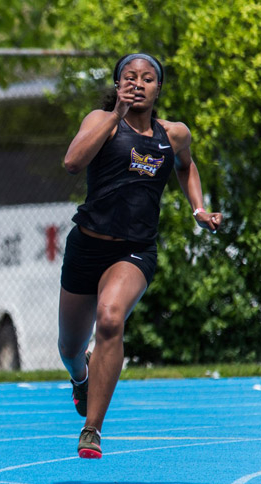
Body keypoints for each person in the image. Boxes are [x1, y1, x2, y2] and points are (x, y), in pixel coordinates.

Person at [58, 53, 222, 459]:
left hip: (134, 251)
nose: (138, 83)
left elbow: (186, 167)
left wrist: (198, 208)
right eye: (129, 78)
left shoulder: (174, 134)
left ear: (158, 88)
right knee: (70, 347)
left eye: (147, 79)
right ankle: (81, 377)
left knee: (111, 318)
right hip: (87, 245)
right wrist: (116, 115)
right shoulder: (100, 122)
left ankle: (92, 428)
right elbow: (72, 163)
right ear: (117, 86)